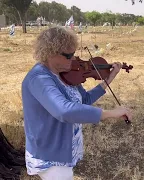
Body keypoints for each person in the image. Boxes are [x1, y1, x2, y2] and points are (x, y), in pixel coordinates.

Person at [21, 26, 133, 180]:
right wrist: (109, 113)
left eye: (74, 54)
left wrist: (109, 79)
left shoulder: (66, 74)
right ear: (50, 53)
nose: (73, 59)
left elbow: (84, 100)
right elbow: (64, 111)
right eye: (68, 56)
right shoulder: (39, 78)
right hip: (50, 154)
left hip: (65, 147)